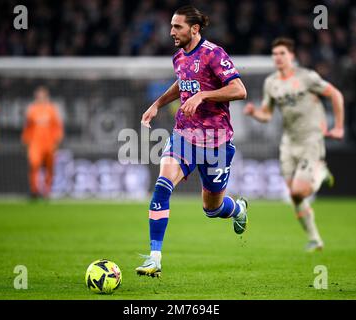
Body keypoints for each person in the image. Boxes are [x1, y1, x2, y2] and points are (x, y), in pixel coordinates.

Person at [136, 5, 248, 277]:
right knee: (162, 186)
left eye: (177, 27)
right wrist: (158, 104)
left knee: (212, 209)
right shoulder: (179, 58)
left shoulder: (213, 53)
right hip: (184, 135)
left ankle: (239, 209)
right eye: (172, 26)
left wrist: (204, 96)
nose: (171, 31)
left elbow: (239, 89)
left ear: (194, 29)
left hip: (216, 142)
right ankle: (154, 258)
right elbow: (181, 83)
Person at [243, 37, 345, 252]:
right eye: (275, 54)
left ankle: (320, 171)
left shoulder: (307, 77)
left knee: (300, 190)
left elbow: (335, 94)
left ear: (292, 56)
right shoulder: (271, 83)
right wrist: (254, 113)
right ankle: (315, 239)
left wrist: (339, 126)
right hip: (288, 142)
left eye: (282, 53)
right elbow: (267, 115)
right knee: (294, 195)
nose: (278, 58)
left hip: (311, 138)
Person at [21, 86, 63, 199]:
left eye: (42, 95)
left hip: (49, 143)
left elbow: (57, 127)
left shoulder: (52, 109)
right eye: (38, 95)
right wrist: (25, 141)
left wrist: (57, 141)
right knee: (34, 165)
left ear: (46, 96)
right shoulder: (32, 110)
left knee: (49, 167)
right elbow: (27, 127)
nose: (40, 97)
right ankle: (34, 190)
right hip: (35, 144)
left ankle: (47, 191)